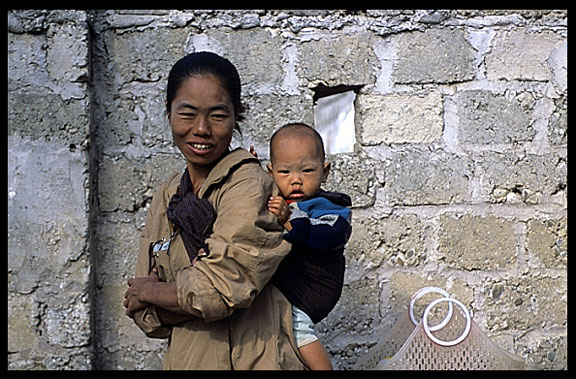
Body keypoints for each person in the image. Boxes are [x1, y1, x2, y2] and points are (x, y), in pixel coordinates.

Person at [123, 52, 308, 369]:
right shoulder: (168, 195)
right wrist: (161, 297)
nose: (201, 129)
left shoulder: (248, 183)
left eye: (218, 116)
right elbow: (143, 314)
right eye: (187, 114)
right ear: (168, 113)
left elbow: (221, 290)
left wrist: (154, 291)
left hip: (253, 357)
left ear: (237, 116)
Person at [262, 123, 353, 370]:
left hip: (315, 286)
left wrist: (289, 222)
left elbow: (330, 235)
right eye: (284, 172)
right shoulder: (277, 199)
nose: (295, 180)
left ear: (325, 172)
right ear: (270, 173)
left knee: (298, 327)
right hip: (289, 284)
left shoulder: (329, 206)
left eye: (307, 170)